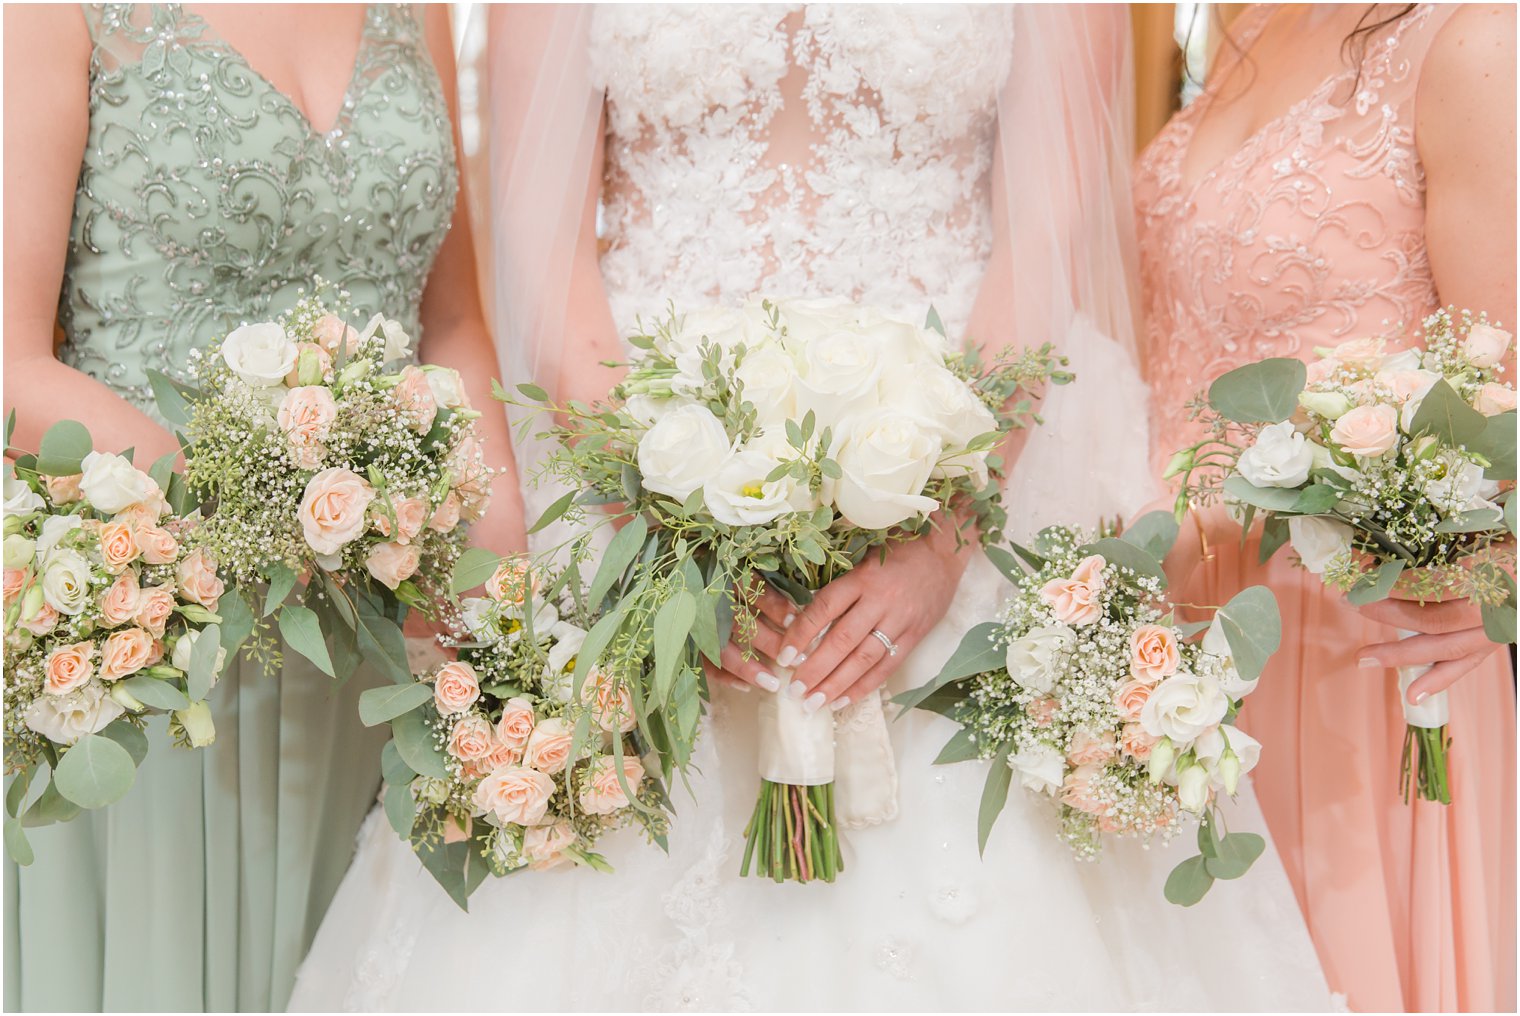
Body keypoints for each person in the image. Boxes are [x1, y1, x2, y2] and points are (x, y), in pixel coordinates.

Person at [290, 6, 1330, 1010]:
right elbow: (538, 236)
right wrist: (659, 534)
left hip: (971, 433)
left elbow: (1044, 229)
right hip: (629, 443)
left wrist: (942, 530)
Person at [2, 4, 523, 1010]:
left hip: (387, 630)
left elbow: (451, 320)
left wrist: (497, 590)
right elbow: (11, 361)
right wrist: (265, 507)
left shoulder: (415, 9)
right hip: (161, 629)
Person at [1134, 4, 1516, 1010]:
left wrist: (1492, 575)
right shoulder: (1228, 34)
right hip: (1174, 650)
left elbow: (1505, 383)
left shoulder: (1464, 41)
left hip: (1352, 644)